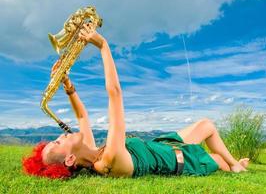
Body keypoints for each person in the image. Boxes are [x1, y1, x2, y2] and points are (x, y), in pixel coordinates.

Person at [22, 23, 249, 179]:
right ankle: (234, 166)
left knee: (207, 125)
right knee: (218, 159)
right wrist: (103, 46)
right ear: (70, 159)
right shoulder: (108, 162)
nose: (61, 135)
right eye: (59, 142)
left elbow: (82, 116)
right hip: (182, 161)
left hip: (162, 145)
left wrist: (69, 88)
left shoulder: (92, 151)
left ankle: (236, 164)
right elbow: (115, 94)